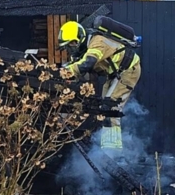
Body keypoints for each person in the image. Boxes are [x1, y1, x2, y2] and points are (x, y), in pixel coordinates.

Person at [59, 20, 141, 149]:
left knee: (110, 108)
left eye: (71, 45)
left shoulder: (97, 42)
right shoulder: (86, 47)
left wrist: (67, 72)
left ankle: (113, 151)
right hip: (115, 74)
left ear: (78, 39)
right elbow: (77, 65)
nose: (71, 49)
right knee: (103, 109)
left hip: (128, 71)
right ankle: (105, 144)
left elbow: (88, 63)